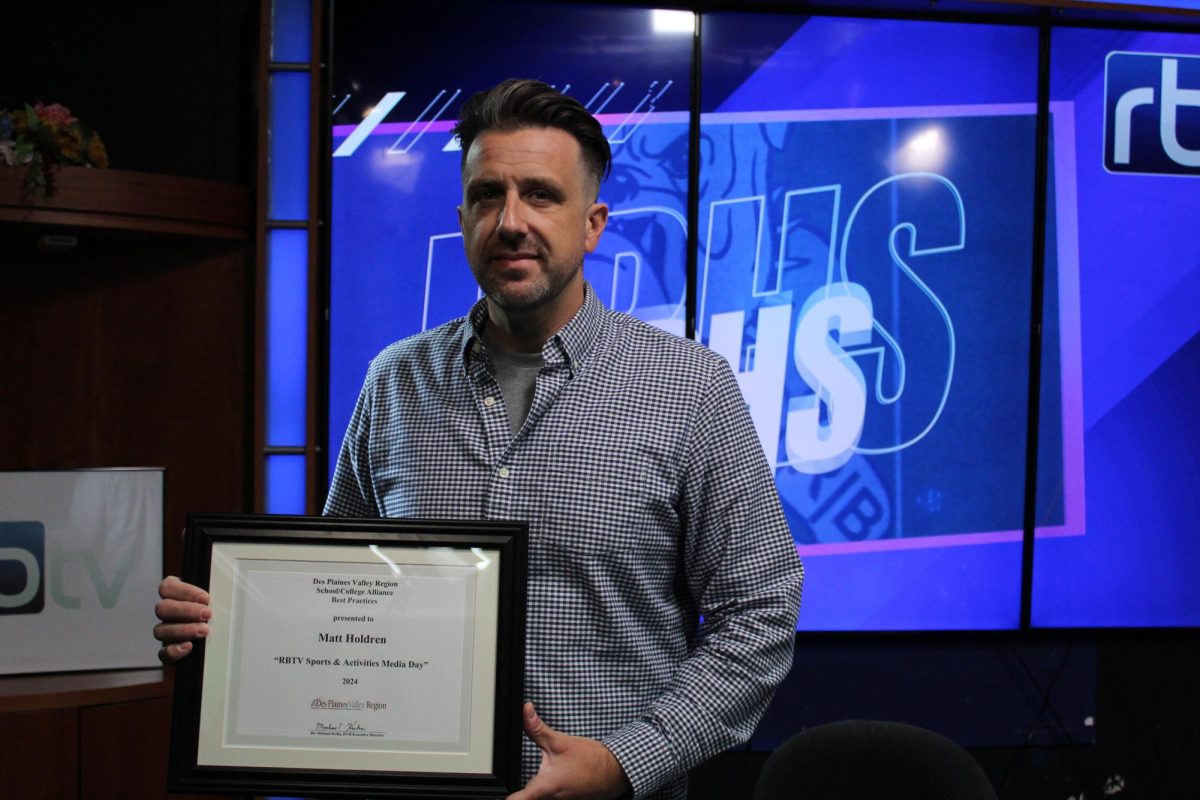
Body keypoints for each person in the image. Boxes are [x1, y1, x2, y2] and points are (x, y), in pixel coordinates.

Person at [155, 78, 803, 800]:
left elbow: (762, 612)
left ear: (592, 223)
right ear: (463, 216)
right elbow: (335, 596)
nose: (511, 221)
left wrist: (627, 764)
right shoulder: (396, 382)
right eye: (489, 196)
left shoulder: (691, 388)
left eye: (541, 195)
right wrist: (229, 620)